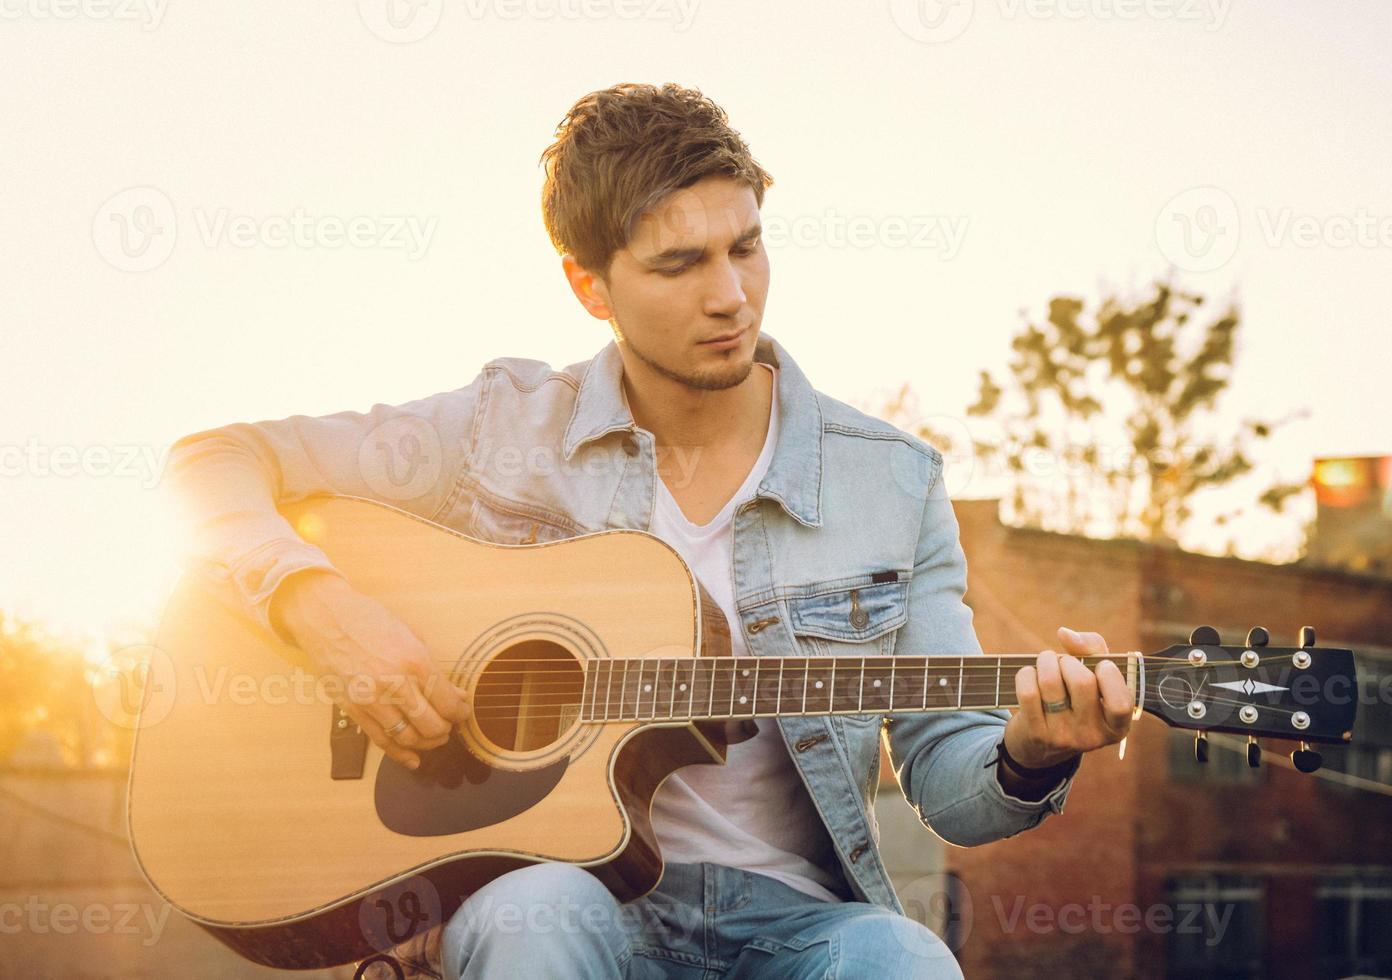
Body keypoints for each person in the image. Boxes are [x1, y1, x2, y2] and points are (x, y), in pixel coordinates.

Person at [162, 82, 1135, 979]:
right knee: (537, 917)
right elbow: (210, 463)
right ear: (591, 286)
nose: (731, 296)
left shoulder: (890, 481)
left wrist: (1029, 749)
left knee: (909, 963)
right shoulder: (499, 428)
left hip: (795, 922)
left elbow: (946, 782)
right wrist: (321, 608)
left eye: (745, 245)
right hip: (551, 892)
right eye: (681, 263)